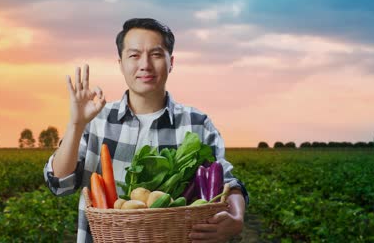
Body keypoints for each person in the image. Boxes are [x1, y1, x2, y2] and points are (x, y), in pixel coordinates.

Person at [44, 18, 249, 243]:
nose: (145, 65)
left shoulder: (197, 123)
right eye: (134, 55)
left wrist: (237, 217)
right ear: (120, 63)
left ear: (171, 62)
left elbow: (228, 182)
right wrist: (76, 124)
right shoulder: (96, 120)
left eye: (156, 54)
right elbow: (60, 184)